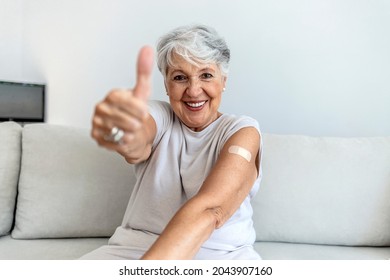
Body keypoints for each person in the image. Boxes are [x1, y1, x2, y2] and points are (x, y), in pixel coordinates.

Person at [82, 24, 262, 260]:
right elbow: (137, 144)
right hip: (133, 250)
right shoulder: (161, 115)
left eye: (206, 75)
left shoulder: (242, 131)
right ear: (166, 85)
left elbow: (212, 209)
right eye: (180, 78)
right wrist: (122, 131)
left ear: (223, 81)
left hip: (223, 257)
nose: (194, 90)